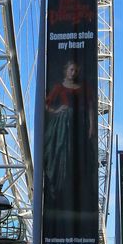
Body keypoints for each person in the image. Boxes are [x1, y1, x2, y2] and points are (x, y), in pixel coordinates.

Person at [43, 60, 97, 218]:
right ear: (66, 71)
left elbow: (91, 107)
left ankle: (79, 194)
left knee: (79, 157)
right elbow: (46, 104)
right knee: (62, 155)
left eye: (76, 70)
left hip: (79, 124)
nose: (74, 73)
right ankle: (60, 192)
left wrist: (92, 126)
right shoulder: (59, 87)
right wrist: (57, 109)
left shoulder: (84, 88)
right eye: (71, 70)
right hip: (64, 126)